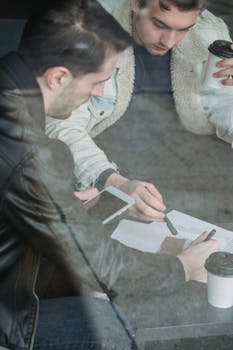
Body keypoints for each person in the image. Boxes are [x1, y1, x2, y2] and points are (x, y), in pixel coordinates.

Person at [0, 0, 219, 349]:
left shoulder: (10, 91)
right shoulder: (26, 151)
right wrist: (183, 266)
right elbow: (103, 267)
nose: (100, 93)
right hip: (9, 317)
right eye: (98, 81)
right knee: (114, 327)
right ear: (58, 77)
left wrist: (75, 206)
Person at [46, 0, 233, 222]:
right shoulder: (88, 29)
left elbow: (222, 109)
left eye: (184, 30)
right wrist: (113, 182)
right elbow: (60, 123)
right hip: (105, 170)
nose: (169, 42)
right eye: (159, 24)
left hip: (194, 176)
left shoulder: (210, 33)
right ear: (135, 3)